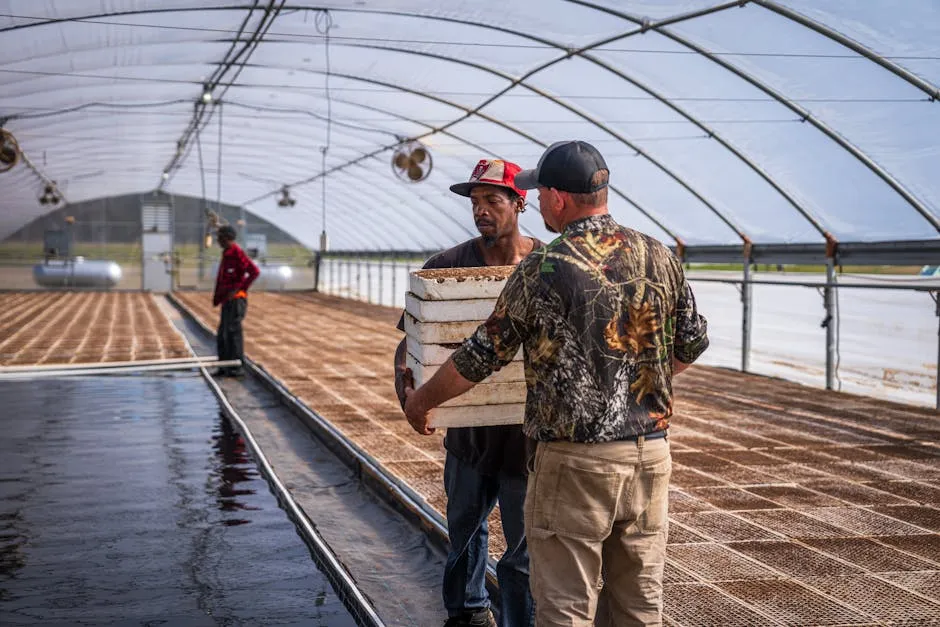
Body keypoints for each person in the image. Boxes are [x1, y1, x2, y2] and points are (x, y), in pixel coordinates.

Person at [403, 141, 709, 626]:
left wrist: (421, 401)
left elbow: (483, 355)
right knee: (638, 600)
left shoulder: (545, 266)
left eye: (540, 193)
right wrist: (625, 382)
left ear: (557, 198)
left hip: (576, 462)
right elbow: (692, 343)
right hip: (650, 457)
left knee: (565, 603)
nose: (539, 202)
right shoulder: (658, 254)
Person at [394, 159, 541, 627]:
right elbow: (410, 339)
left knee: (523, 552)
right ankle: (467, 613)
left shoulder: (547, 267)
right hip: (468, 434)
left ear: (519, 203)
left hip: (528, 437)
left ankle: (520, 620)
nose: (481, 211)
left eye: (492, 200)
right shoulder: (446, 267)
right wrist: (408, 389)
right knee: (465, 532)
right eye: (475, 203)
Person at [212, 225, 259, 378]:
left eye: (219, 237)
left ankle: (237, 366)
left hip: (236, 300)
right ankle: (224, 366)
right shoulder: (227, 253)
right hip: (227, 300)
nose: (217, 240)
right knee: (222, 334)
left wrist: (240, 289)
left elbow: (254, 271)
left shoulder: (237, 253)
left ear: (227, 238)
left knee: (233, 333)